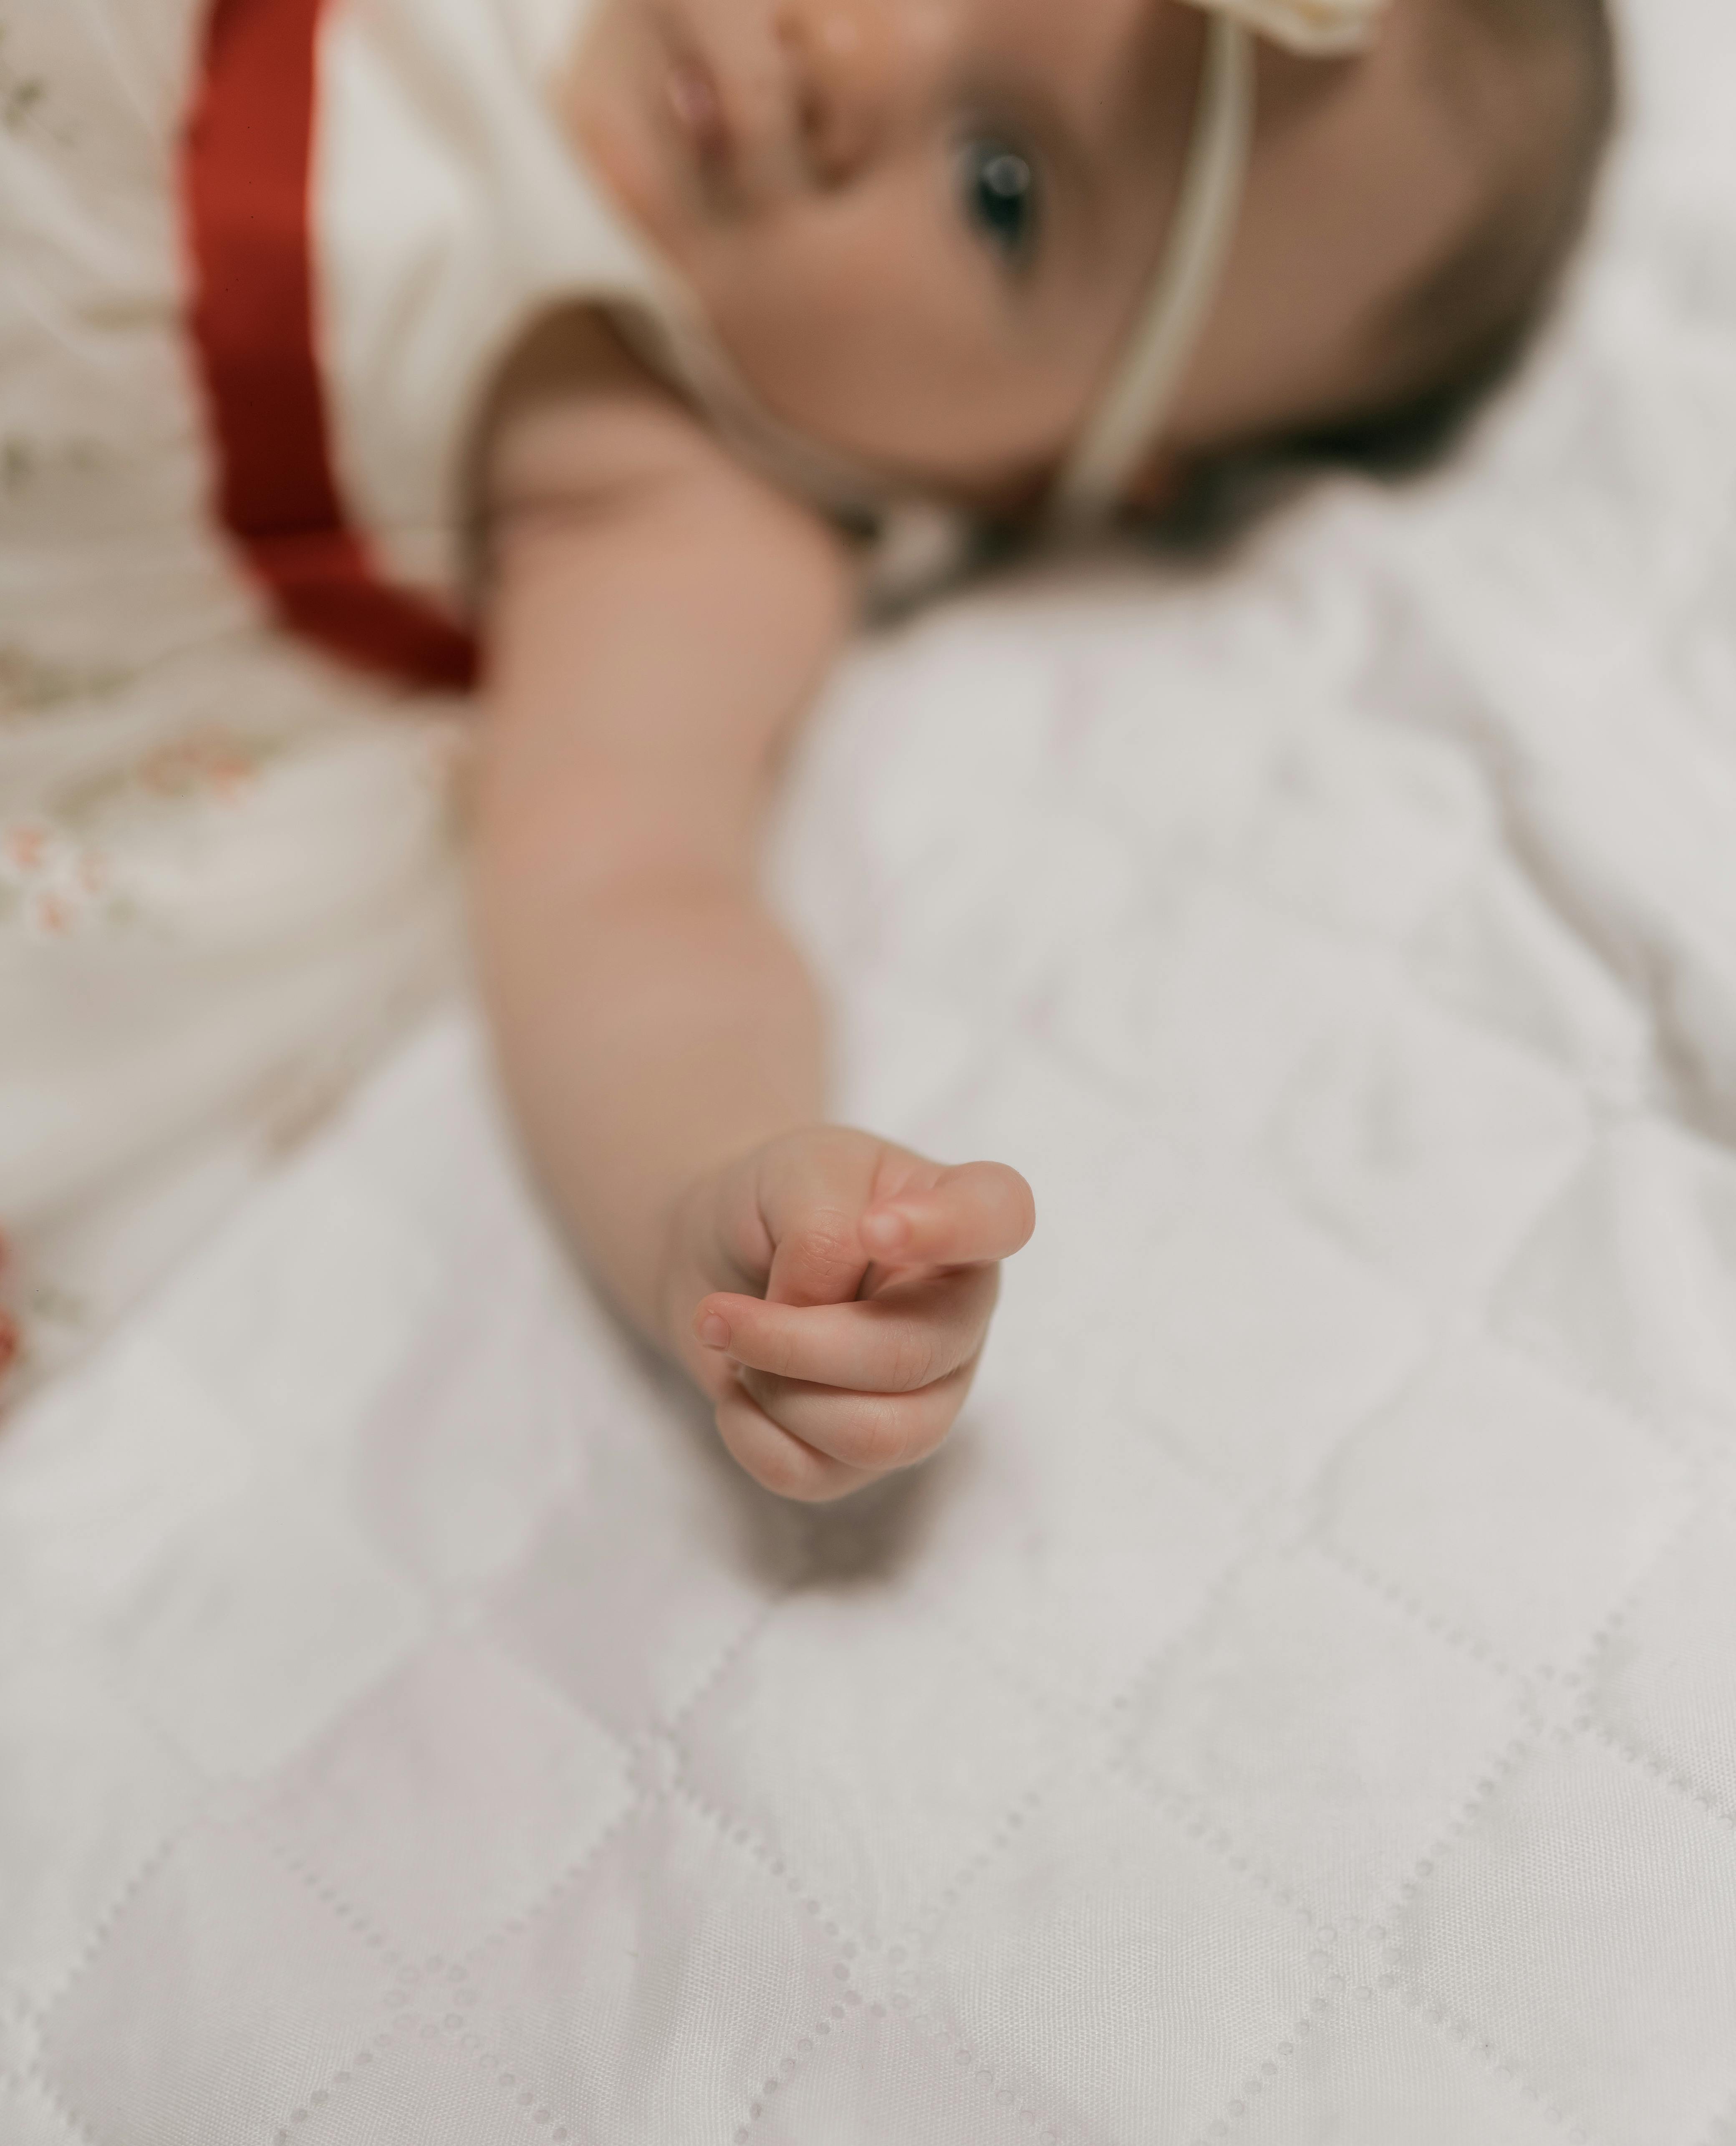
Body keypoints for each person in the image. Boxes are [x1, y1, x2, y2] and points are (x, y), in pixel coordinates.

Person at [0, 0, 1615, 1496]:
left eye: (1000, 190)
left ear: (1053, 470)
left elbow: (633, 899)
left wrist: (731, 1197)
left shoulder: (670, 486)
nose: (846, 54)